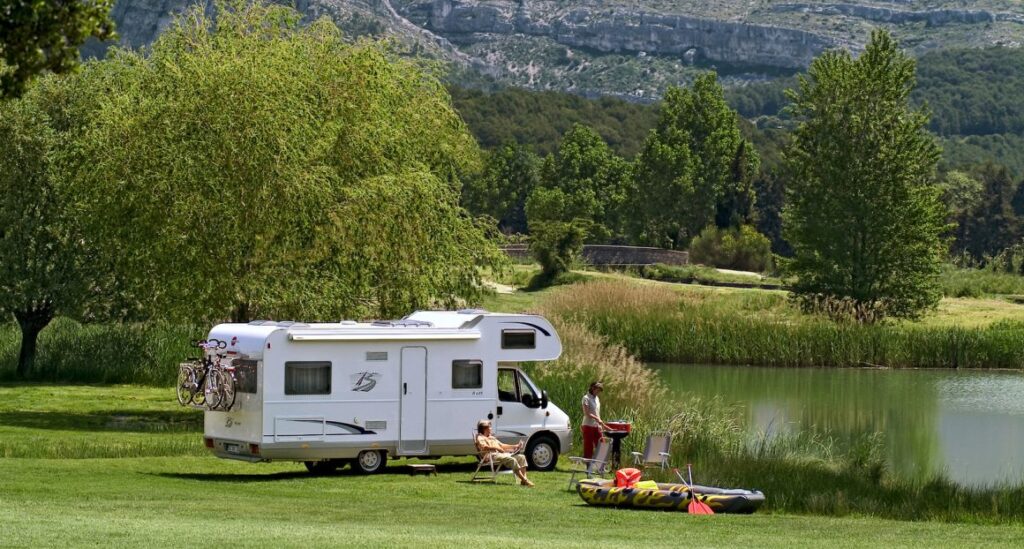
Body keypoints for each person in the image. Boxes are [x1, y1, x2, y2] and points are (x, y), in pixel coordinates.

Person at [475, 419, 534, 487]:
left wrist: (516, 446)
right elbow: (484, 447)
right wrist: (496, 448)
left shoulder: (491, 437)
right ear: (485, 429)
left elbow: (502, 445)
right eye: (489, 427)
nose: (491, 429)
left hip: (499, 454)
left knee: (521, 457)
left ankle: (524, 480)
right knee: (512, 460)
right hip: (491, 456)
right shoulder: (480, 437)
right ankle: (525, 480)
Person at [581, 381, 609, 460]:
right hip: (588, 425)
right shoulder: (585, 398)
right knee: (588, 446)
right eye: (598, 390)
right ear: (592, 388)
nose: (598, 392)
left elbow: (597, 412)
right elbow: (586, 413)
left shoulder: (597, 399)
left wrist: (600, 424)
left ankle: (600, 467)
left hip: (596, 426)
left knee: (601, 445)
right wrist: (597, 419)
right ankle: (588, 467)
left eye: (600, 390)